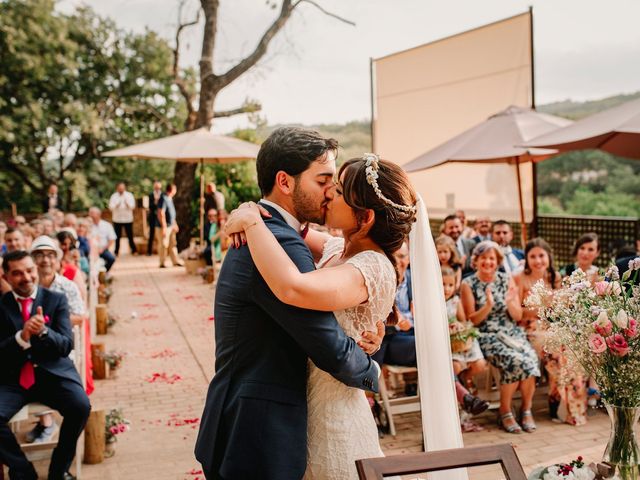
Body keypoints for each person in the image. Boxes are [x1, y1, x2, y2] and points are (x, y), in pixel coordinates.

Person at [194, 128, 386, 480]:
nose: (330, 192)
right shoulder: (276, 241)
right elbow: (326, 342)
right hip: (258, 431)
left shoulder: (274, 233)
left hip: (249, 418)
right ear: (285, 181)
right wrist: (371, 369)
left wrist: (367, 322)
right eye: (324, 180)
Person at [223, 150, 416, 479]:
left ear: (365, 217)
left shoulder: (372, 267)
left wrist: (252, 222)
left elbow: (293, 288)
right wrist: (247, 209)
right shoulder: (336, 248)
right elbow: (288, 225)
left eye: (339, 192)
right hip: (299, 412)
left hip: (334, 422)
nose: (329, 194)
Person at [0, 250, 91, 480]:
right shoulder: (1, 306)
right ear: (6, 276)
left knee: (80, 407)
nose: (26, 277)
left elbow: (65, 345)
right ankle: (23, 471)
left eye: (30, 271)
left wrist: (43, 332)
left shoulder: (55, 300)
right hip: (13, 379)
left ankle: (58, 469)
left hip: (53, 375)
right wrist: (21, 337)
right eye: (17, 273)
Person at [460, 241, 539, 434]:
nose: (488, 262)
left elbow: (518, 316)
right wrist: (488, 305)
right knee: (514, 361)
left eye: (492, 258)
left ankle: (526, 410)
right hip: (487, 334)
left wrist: (510, 302)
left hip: (511, 332)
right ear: (476, 261)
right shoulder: (467, 283)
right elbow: (472, 321)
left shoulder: (506, 279)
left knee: (530, 359)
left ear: (498, 262)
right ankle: (505, 411)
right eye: (484, 258)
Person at [514, 238, 587, 426]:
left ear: (548, 257)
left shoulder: (555, 277)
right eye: (533, 256)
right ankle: (559, 405)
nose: (538, 260)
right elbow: (517, 312)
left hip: (553, 326)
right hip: (529, 328)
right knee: (556, 352)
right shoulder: (519, 278)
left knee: (571, 350)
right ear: (527, 258)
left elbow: (562, 307)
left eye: (541, 255)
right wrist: (542, 307)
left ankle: (570, 408)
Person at [372, 242, 416, 368]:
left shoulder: (414, 280)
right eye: (393, 256)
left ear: (409, 259)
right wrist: (396, 322)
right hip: (388, 340)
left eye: (402, 256)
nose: (397, 262)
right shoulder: (379, 281)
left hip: (411, 334)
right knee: (421, 345)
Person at [443, 266, 487, 389]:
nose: (447, 289)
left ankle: (464, 379)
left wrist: (458, 325)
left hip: (459, 338)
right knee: (455, 367)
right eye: (443, 284)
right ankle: (456, 391)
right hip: (447, 342)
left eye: (450, 285)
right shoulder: (434, 303)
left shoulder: (455, 301)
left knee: (480, 365)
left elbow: (463, 321)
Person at [156, 184, 183, 268]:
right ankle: (162, 262)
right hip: (164, 226)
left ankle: (175, 261)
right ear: (172, 190)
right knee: (164, 244)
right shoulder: (163, 198)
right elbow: (161, 213)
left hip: (171, 226)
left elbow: (171, 213)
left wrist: (174, 224)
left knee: (173, 244)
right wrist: (164, 227)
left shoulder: (169, 198)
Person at [108, 182, 137, 256]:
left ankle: (134, 250)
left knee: (130, 236)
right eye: (119, 188)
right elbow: (110, 207)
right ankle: (116, 251)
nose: (121, 189)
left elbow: (133, 206)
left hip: (128, 219)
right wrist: (116, 205)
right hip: (117, 219)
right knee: (117, 236)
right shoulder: (114, 196)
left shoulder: (129, 195)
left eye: (122, 188)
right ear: (117, 188)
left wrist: (127, 204)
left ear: (124, 188)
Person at [88, 207, 116, 271]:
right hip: (90, 250)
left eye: (92, 213)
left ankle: (103, 272)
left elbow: (112, 239)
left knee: (111, 259)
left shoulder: (107, 225)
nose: (90, 215)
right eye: (90, 213)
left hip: (103, 249)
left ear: (98, 214)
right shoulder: (88, 225)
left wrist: (103, 249)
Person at [146, 181, 163, 256]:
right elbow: (149, 206)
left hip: (160, 217)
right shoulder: (150, 195)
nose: (157, 188)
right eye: (156, 187)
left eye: (158, 187)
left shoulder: (163, 195)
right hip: (153, 217)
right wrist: (155, 202)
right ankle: (149, 251)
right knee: (151, 235)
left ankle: (161, 252)